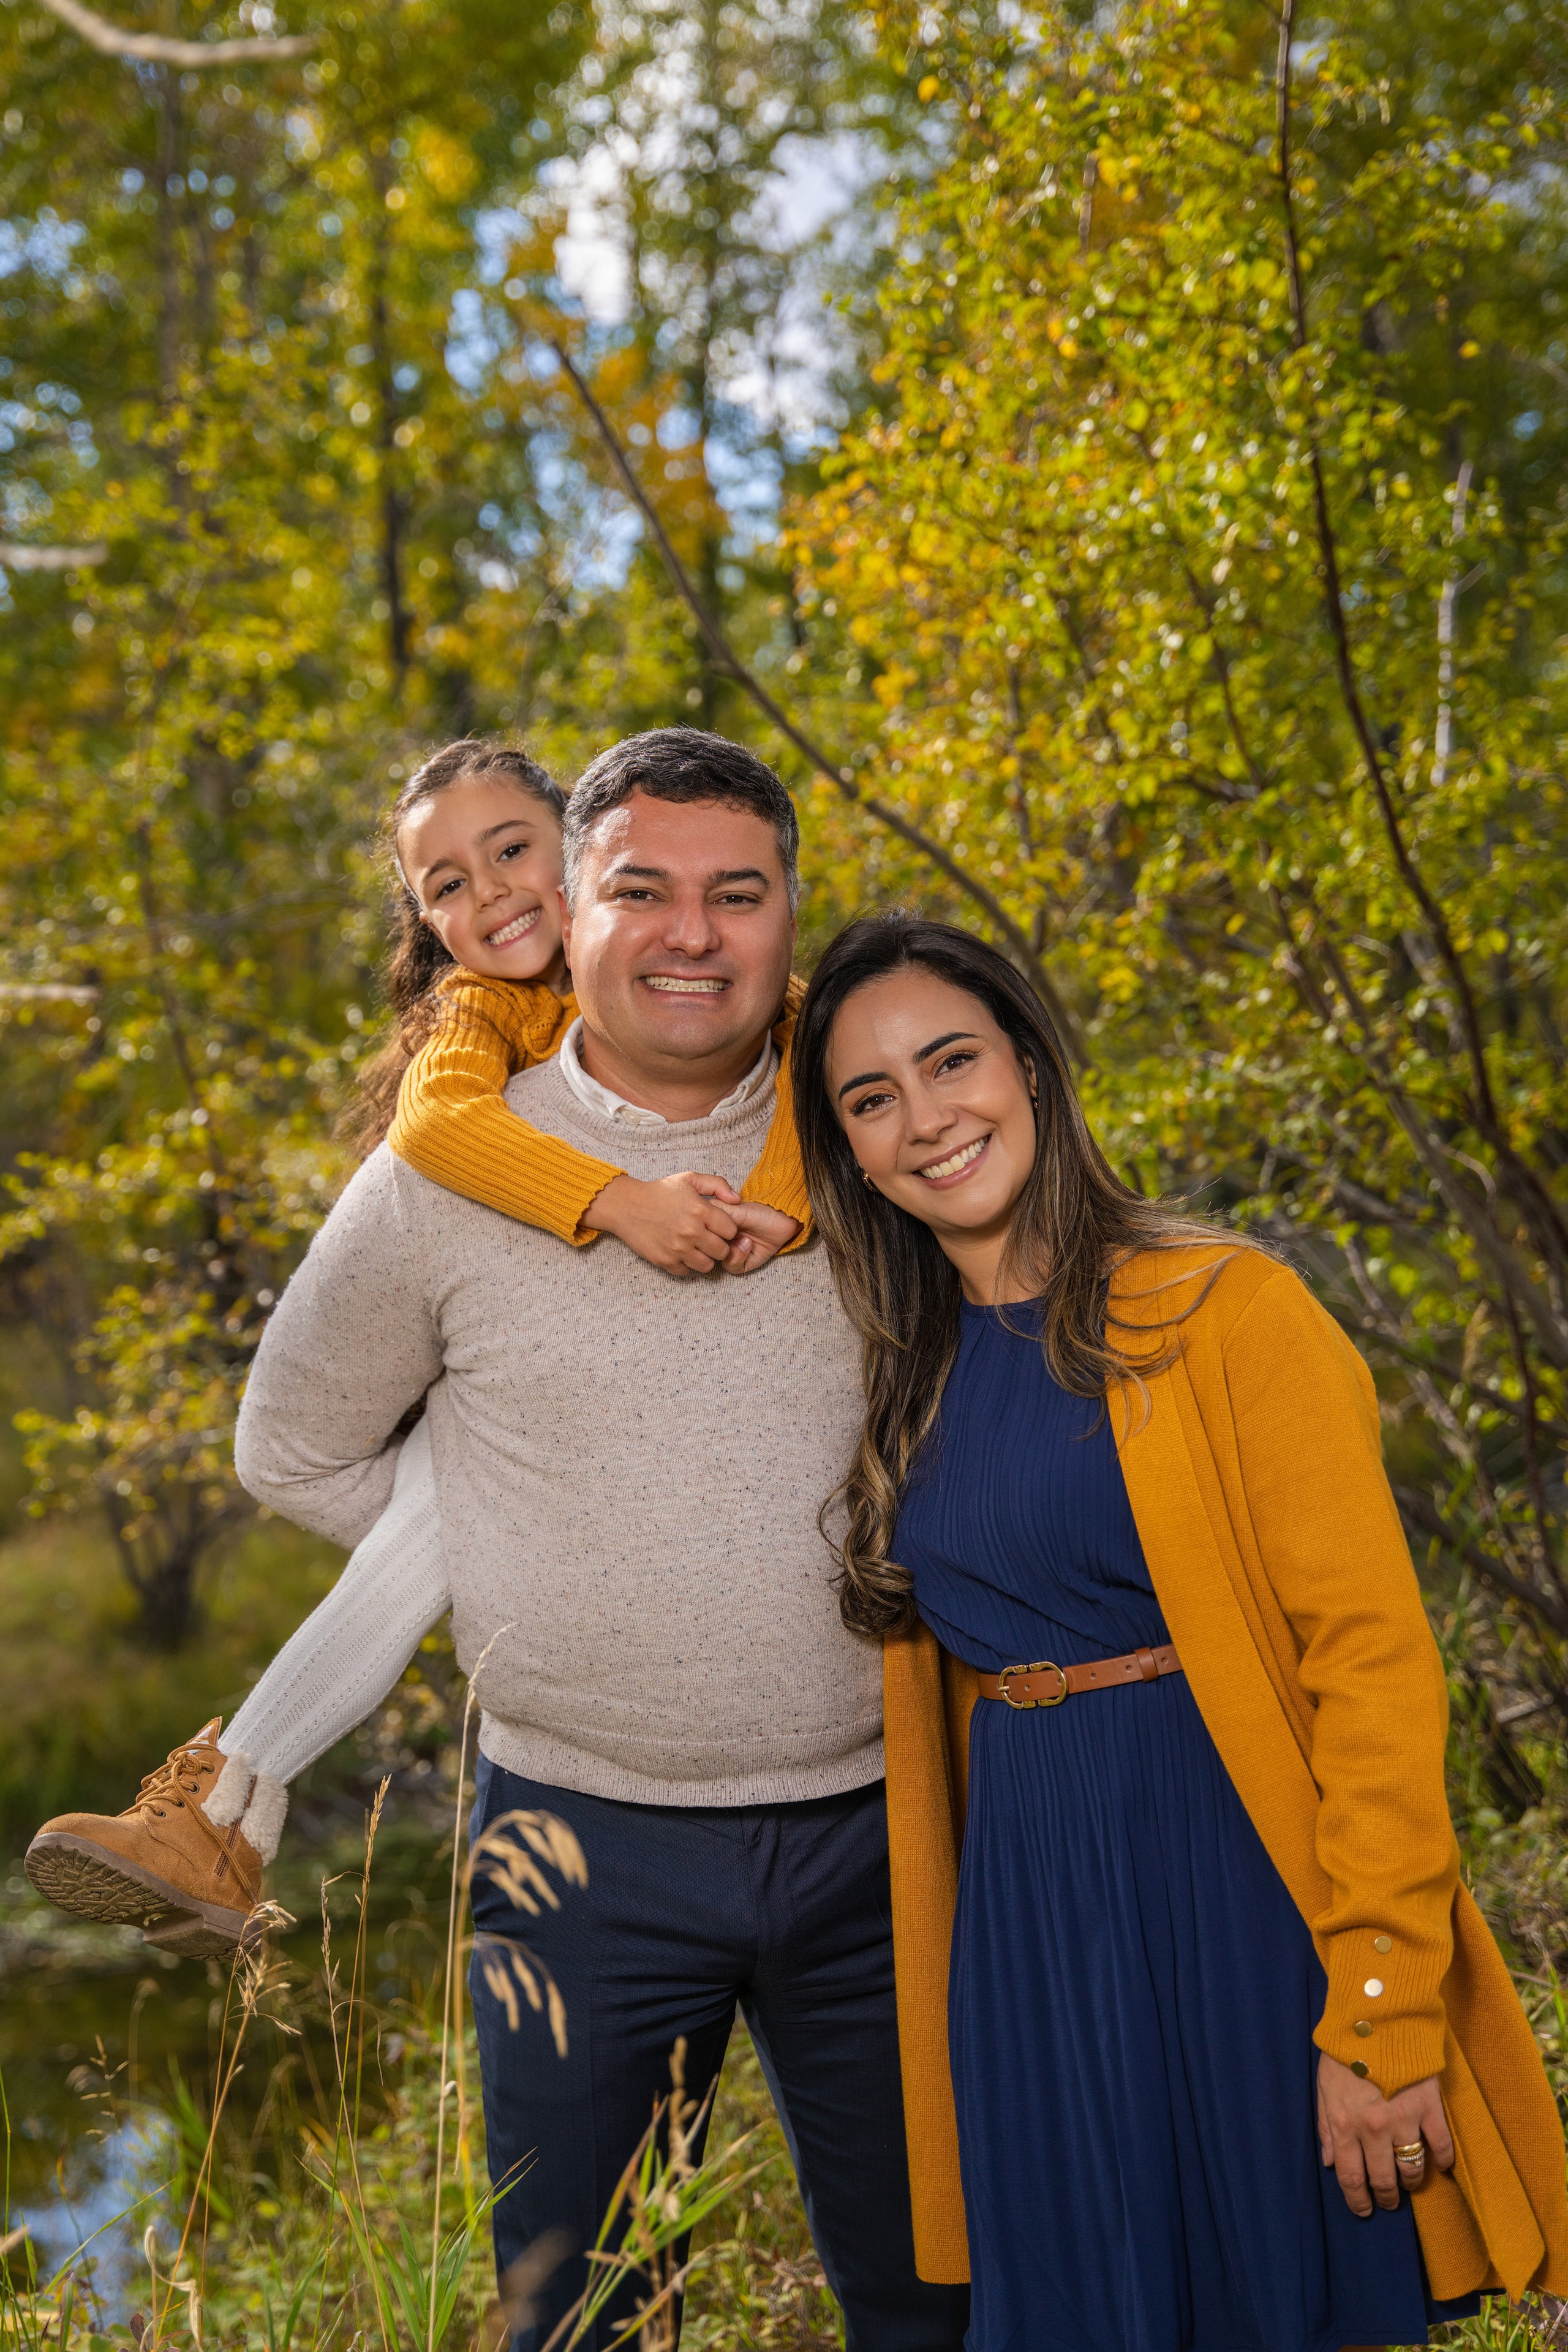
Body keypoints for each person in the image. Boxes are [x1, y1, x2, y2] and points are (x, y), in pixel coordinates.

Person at [99, 734, 970, 2352]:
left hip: (891, 1827)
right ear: (571, 909)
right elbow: (285, 1447)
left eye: (739, 894)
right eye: (642, 891)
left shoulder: (884, 1132)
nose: (691, 934)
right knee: (580, 2322)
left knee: (947, 2300)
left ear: (793, 915)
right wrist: (523, 1551)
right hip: (580, 1852)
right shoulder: (444, 1167)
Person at [790, 910, 1568, 2352]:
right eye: (869, 1099)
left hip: (1229, 1889)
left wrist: (1380, 2010)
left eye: (951, 1061)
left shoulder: (1223, 1311)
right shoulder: (908, 1379)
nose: (925, 1120)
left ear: (1027, 1063)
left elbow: (1373, 1671)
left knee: (1271, 2304)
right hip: (1023, 1927)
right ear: (841, 1149)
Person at [24, 734, 805, 1952]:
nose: (488, 893)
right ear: (428, 925)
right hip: (479, 1426)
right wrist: (623, 1203)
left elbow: (809, 1075)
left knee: (436, 1524)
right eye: (445, 883)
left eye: (510, 851)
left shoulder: (716, 981)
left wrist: (783, 1210)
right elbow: (436, 1125)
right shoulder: (481, 1016)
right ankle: (216, 1811)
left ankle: (226, 1805)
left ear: (585, 856)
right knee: (444, 1518)